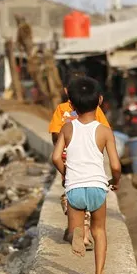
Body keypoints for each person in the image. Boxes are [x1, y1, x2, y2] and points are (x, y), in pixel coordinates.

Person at [52, 76, 122, 274]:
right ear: (100, 100)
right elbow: (116, 166)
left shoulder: (67, 128)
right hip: (97, 188)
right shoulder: (104, 131)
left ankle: (77, 233)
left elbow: (56, 157)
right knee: (99, 231)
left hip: (74, 188)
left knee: (76, 219)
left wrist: (66, 175)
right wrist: (114, 181)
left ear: (71, 104)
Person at [48, 76, 111, 247]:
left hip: (67, 158)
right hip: (89, 160)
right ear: (98, 97)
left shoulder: (61, 110)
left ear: (67, 91)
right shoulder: (95, 109)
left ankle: (77, 231)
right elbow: (103, 131)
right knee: (90, 194)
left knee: (71, 192)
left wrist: (65, 142)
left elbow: (55, 135)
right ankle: (83, 232)